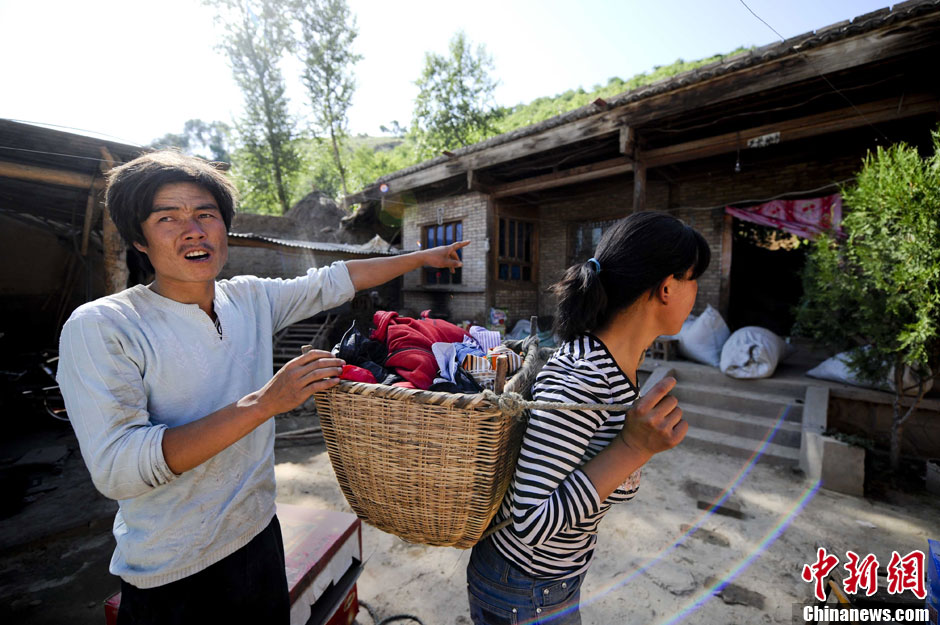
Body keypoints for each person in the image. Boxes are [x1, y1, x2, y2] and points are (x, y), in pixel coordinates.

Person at [56, 150, 468, 624]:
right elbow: (119, 469)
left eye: (205, 214)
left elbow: (334, 281)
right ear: (138, 239)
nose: (193, 229)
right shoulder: (106, 326)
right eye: (168, 218)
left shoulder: (248, 298)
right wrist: (263, 404)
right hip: (172, 570)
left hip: (258, 540)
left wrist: (424, 256)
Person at [466, 211, 710, 624]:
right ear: (667, 287)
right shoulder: (583, 378)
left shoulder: (618, 366)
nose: (696, 292)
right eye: (693, 278)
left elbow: (600, 479)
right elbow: (530, 521)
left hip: (547, 579)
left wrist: (634, 451)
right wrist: (633, 449)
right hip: (523, 587)